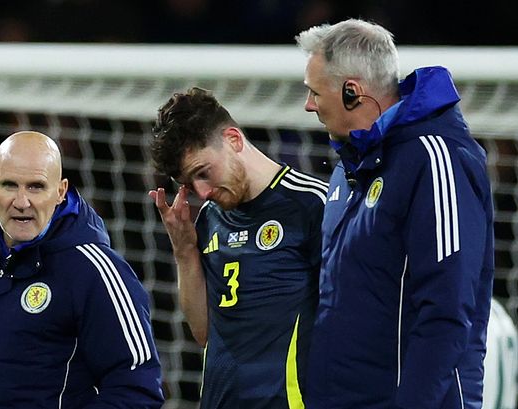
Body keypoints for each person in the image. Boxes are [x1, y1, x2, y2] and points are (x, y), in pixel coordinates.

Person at [296, 19, 494, 408]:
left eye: (315, 92)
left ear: (352, 92)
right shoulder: (349, 168)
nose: (308, 104)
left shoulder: (436, 160)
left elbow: (447, 310)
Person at [0, 131, 164, 408]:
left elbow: (137, 390)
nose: (21, 202)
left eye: (35, 187)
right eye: (9, 185)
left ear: (60, 191)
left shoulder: (93, 271)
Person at [148, 87, 327, 408]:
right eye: (190, 185)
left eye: (203, 173)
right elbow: (203, 333)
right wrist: (185, 252)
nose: (202, 192)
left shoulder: (313, 205)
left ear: (233, 140)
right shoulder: (209, 218)